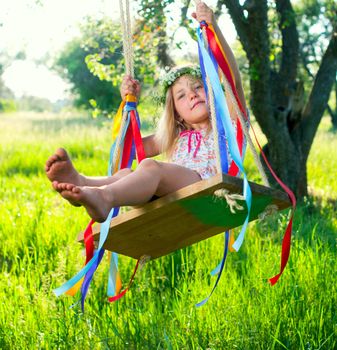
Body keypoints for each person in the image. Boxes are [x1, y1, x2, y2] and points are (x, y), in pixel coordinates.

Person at [45, 2, 247, 223]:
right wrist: (129, 105)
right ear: (177, 114)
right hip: (164, 194)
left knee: (150, 167)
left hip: (208, 190)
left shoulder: (228, 124)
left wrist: (213, 27)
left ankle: (105, 197)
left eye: (198, 87)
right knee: (126, 174)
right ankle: (83, 183)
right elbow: (126, 151)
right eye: (181, 95)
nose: (192, 95)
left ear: (212, 92)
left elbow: (232, 81)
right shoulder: (175, 137)